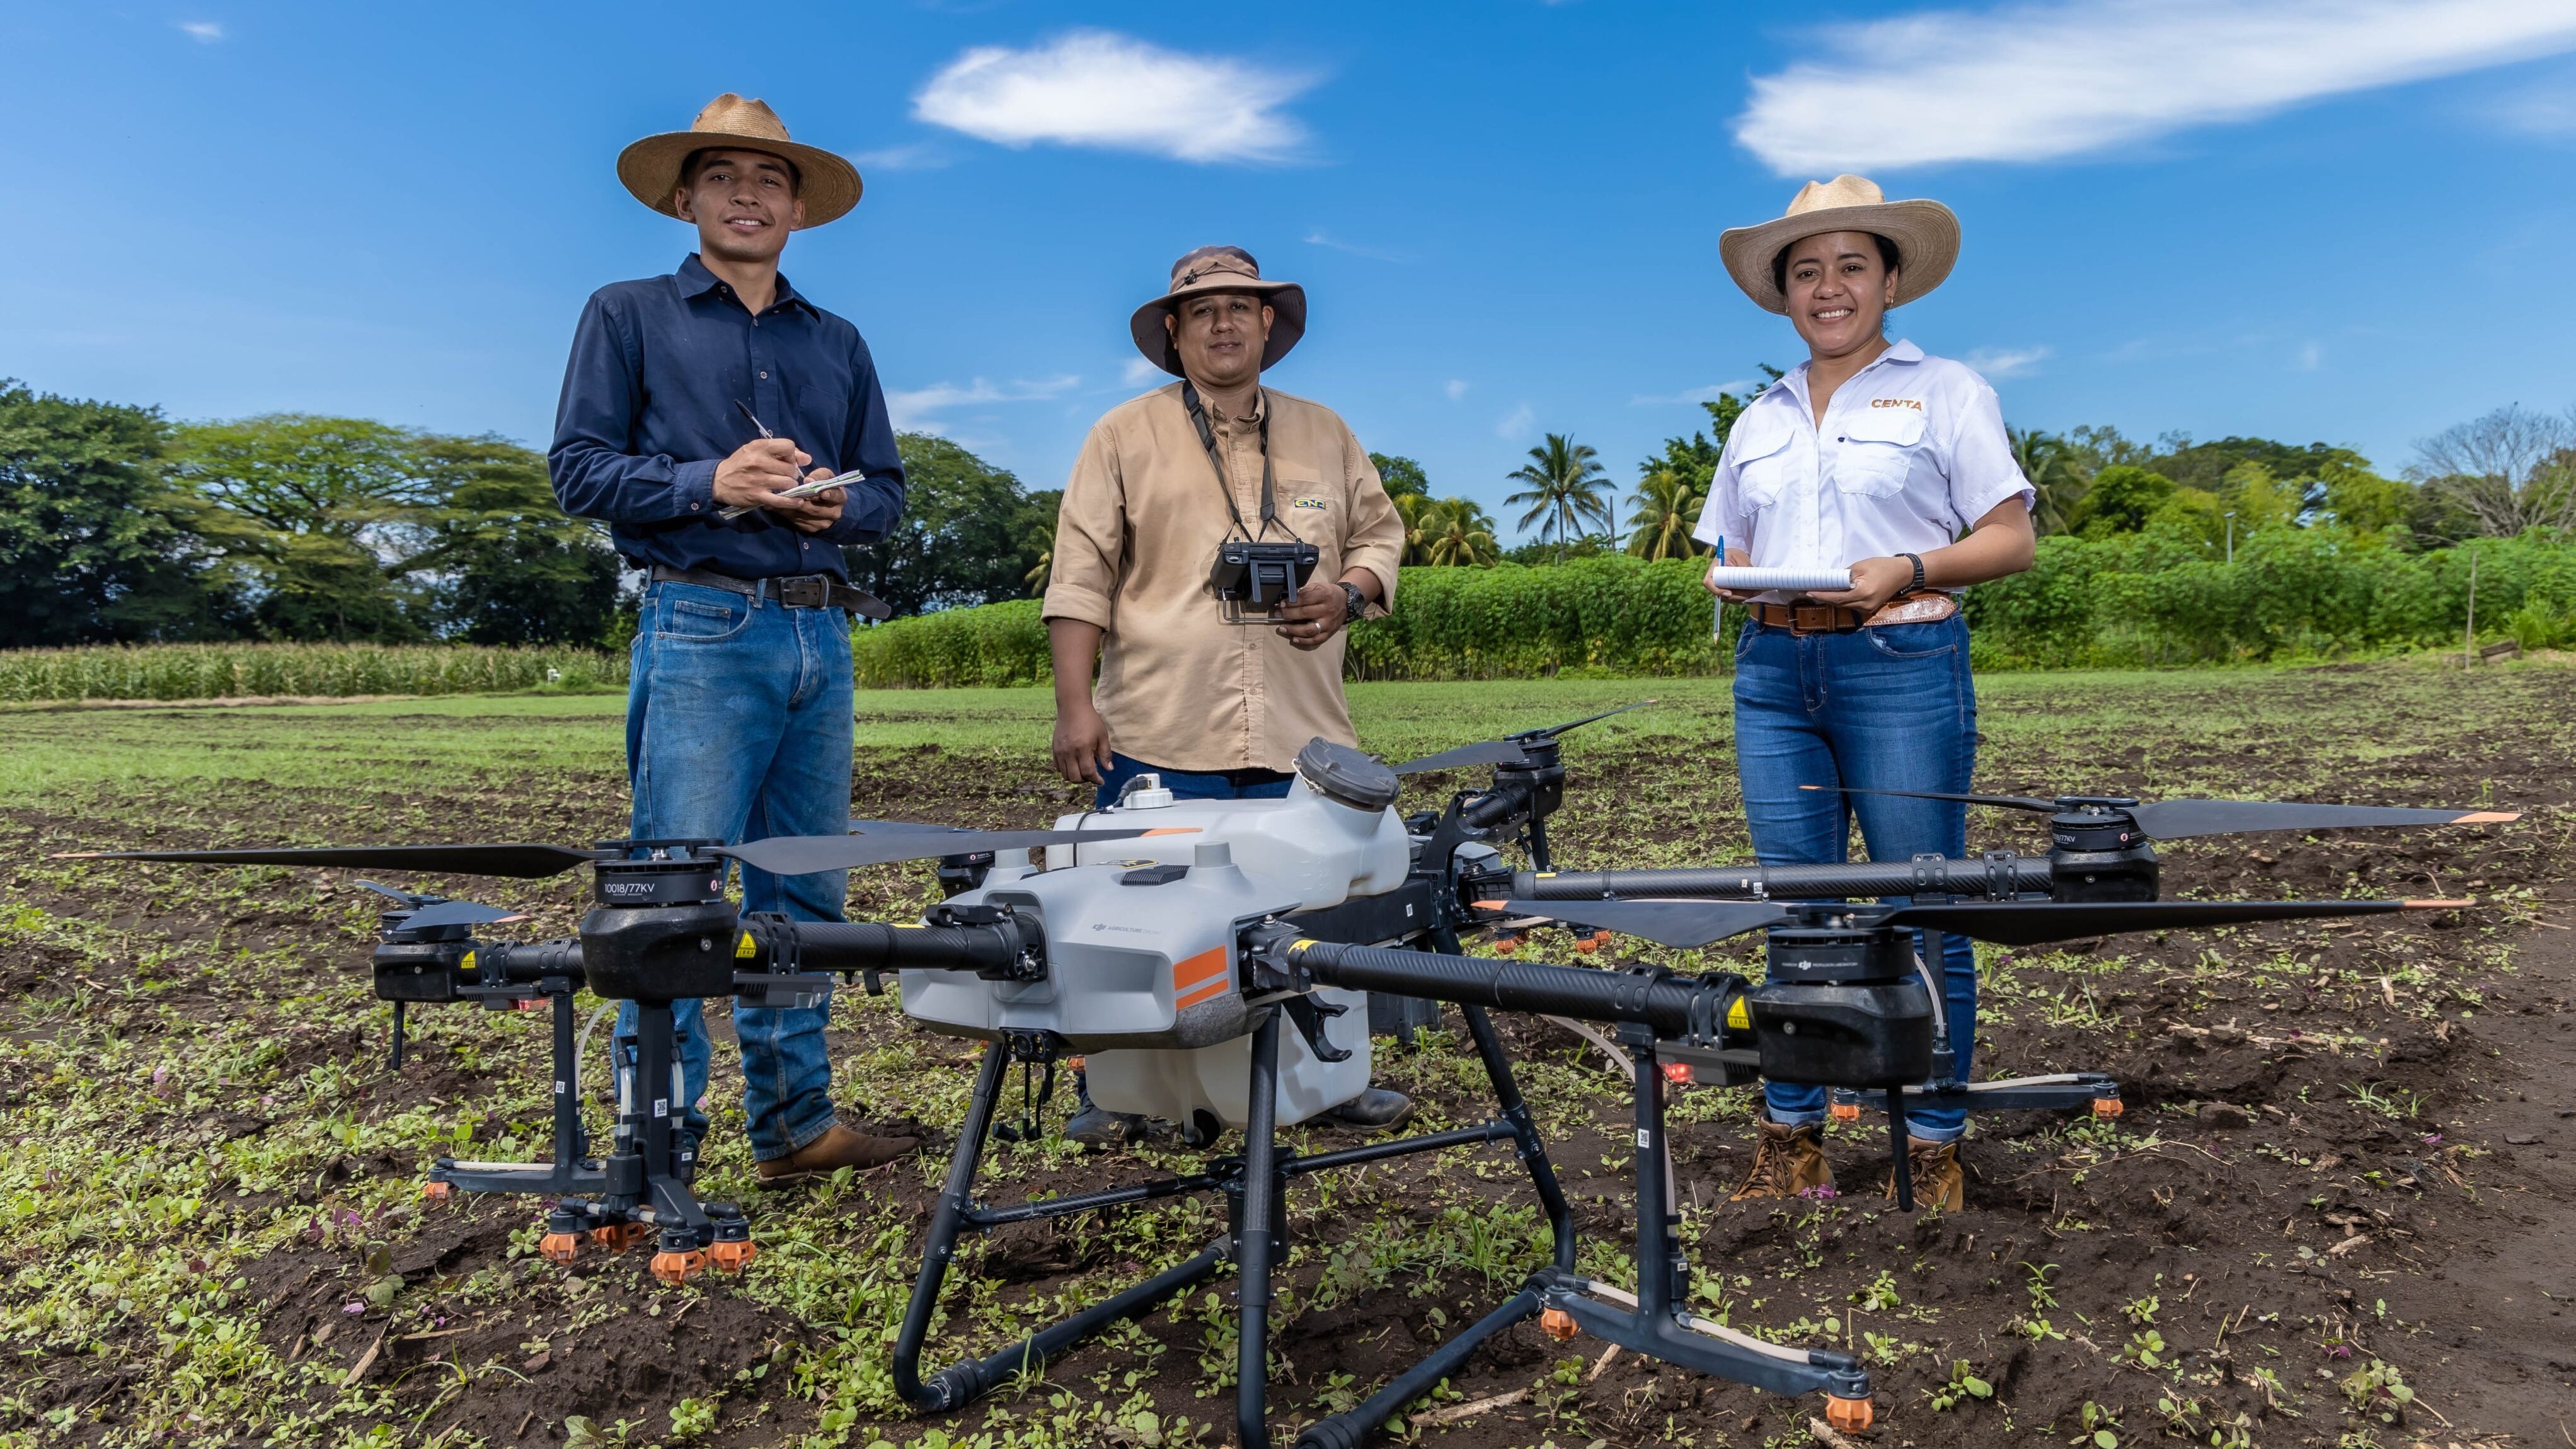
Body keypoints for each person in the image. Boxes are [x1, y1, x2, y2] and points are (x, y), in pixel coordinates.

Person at [550, 94, 919, 1186]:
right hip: (701, 617)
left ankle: (796, 1126)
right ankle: (655, 1143)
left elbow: (889, 493)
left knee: (805, 892)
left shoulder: (837, 341)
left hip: (821, 631)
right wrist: (707, 481)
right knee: (675, 890)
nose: (747, 195)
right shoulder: (626, 314)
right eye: (723, 177)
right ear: (684, 198)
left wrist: (833, 509)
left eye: (769, 179)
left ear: (798, 207)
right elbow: (577, 469)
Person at [1696, 176, 2038, 1211]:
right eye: (1807, 271)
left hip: (1898, 665)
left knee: (1925, 908)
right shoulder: (1757, 416)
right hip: (1773, 673)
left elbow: (2011, 537)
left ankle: (1932, 1142)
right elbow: (1734, 547)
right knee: (1795, 913)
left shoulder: (1948, 391)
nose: (1829, 286)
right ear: (1784, 294)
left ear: (1891, 279)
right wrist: (1729, 579)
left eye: (1851, 265)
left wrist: (1912, 568)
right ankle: (1791, 1138)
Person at [1042, 246, 1414, 1145]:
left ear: (1268, 326)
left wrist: (1350, 593)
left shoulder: (1326, 432)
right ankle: (1122, 1090)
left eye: (1240, 308)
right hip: (1164, 725)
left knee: (1315, 908)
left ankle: (1330, 1075)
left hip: (1300, 730)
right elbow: (1080, 576)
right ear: (1174, 332)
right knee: (1138, 908)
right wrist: (1074, 704)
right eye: (1201, 310)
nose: (1223, 323)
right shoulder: (1122, 435)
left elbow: (1380, 536)